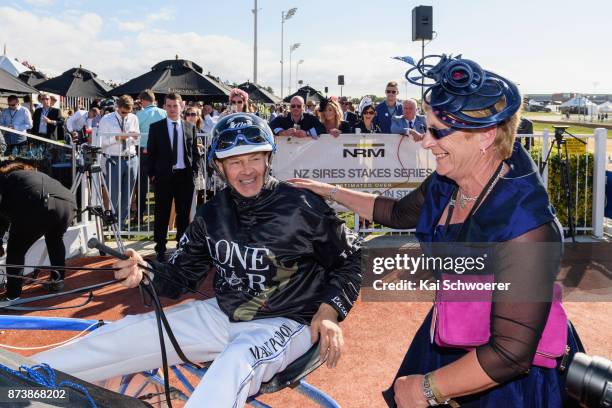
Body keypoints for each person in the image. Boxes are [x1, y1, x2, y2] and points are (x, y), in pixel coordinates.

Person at [289, 54, 582, 407]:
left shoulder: (526, 225)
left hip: (503, 377)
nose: (426, 142)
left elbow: (510, 352)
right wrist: (330, 190)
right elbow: (396, 212)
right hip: (453, 332)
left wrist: (425, 389)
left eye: (438, 132)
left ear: (485, 136)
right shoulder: (451, 179)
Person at [33, 112, 362, 407]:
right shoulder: (211, 214)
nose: (246, 170)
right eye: (234, 161)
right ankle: (22, 382)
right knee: (129, 332)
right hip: (223, 313)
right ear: (219, 167)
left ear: (268, 159)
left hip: (287, 321)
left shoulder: (303, 206)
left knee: (234, 363)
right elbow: (178, 277)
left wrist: (329, 310)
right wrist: (144, 271)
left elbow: (349, 261)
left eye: (254, 158)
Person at [0, 161, 76, 299]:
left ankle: (12, 295)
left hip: (38, 201)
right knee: (55, 240)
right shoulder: (34, 176)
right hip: (68, 203)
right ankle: (57, 281)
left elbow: (1, 215)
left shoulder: (5, 177)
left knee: (15, 250)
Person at [147, 93, 199, 262]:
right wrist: (152, 175)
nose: (172, 109)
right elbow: (151, 154)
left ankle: (181, 246)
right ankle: (160, 248)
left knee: (183, 215)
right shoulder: (156, 127)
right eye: (169, 106)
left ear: (181, 106)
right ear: (164, 107)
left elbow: (195, 153)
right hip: (163, 178)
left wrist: (194, 173)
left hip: (185, 177)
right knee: (161, 213)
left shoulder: (190, 127)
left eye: (175, 106)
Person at [97, 95, 140, 230]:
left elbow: (138, 140)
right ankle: (112, 224)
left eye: (128, 112)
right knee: (113, 195)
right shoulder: (106, 119)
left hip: (132, 158)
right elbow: (101, 142)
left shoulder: (133, 118)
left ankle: (120, 225)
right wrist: (117, 138)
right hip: (114, 159)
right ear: (117, 107)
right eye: (123, 112)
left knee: (128, 195)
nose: (125, 115)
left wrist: (133, 137)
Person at [135, 90, 167, 223]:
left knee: (141, 184)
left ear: (143, 101)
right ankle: (160, 215)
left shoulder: (139, 114)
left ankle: (139, 215)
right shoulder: (164, 112)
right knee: (159, 184)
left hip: (143, 150)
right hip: (160, 151)